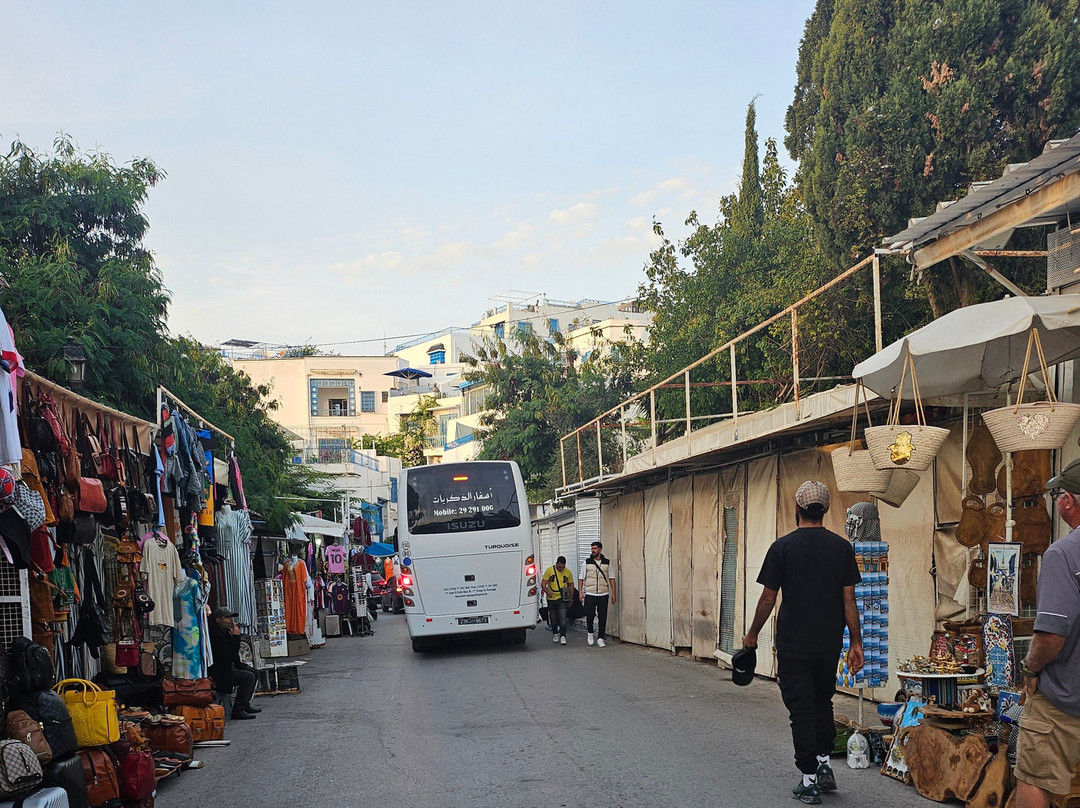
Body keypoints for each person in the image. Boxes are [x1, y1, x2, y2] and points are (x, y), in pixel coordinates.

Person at [741, 480, 863, 805]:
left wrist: (752, 634)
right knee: (823, 702)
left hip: (794, 644)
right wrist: (856, 643)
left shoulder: (782, 547)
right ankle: (824, 766)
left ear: (797, 509)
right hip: (829, 643)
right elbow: (849, 600)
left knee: (801, 711)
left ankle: (808, 780)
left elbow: (768, 599)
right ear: (824, 510)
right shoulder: (841, 548)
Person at [1014, 459, 1080, 808]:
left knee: (1035, 776)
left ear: (1068, 500)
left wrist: (1030, 669)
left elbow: (1052, 635)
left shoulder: (1065, 553)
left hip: (1066, 699)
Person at [208, 606, 261, 721]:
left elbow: (234, 656)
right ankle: (238, 710)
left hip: (226, 669)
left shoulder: (225, 632)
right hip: (219, 673)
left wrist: (240, 665)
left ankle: (245, 704)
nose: (231, 620)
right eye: (227, 618)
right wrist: (236, 637)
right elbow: (229, 655)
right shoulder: (215, 634)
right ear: (219, 620)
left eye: (231, 617)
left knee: (253, 671)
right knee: (248, 677)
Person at [578, 541, 616, 648]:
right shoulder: (587, 562)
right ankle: (590, 633)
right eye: (592, 549)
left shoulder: (607, 563)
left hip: (603, 594)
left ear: (600, 549)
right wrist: (581, 592)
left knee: (603, 616)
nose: (593, 550)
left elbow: (612, 578)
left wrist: (614, 593)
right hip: (590, 593)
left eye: (595, 548)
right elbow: (581, 578)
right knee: (589, 615)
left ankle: (600, 638)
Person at [542, 556, 575, 645]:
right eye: (559, 567)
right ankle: (555, 634)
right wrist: (547, 592)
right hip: (551, 599)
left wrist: (571, 598)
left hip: (562, 599)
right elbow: (543, 583)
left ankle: (563, 636)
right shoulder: (549, 571)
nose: (561, 569)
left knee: (563, 617)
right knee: (553, 618)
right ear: (556, 563)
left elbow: (571, 584)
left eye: (563, 567)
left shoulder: (567, 572)